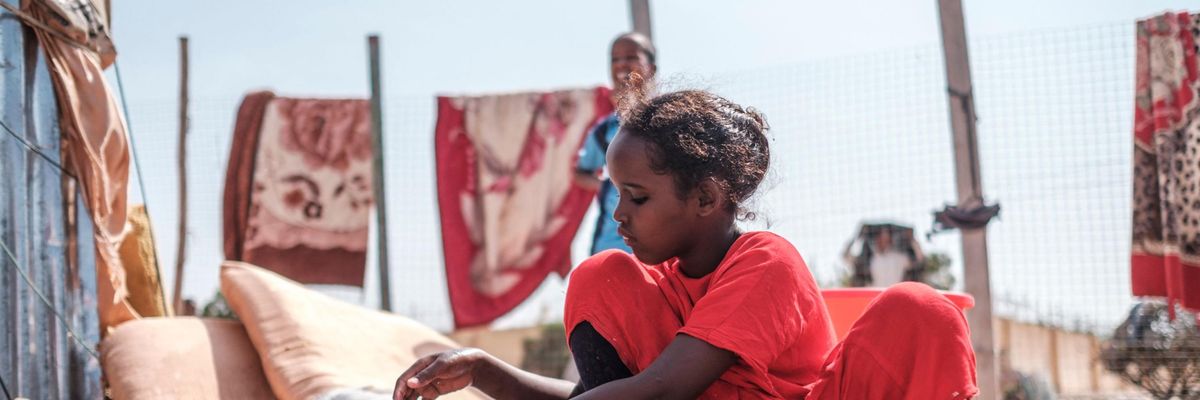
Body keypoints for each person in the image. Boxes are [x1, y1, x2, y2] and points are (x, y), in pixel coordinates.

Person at [394, 87, 978, 399]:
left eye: (638, 197)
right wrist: (484, 372)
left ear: (705, 198)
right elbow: (614, 395)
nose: (619, 214)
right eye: (616, 193)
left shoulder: (765, 262)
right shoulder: (650, 288)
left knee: (918, 309)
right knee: (601, 273)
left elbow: (662, 390)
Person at [574, 32, 657, 254]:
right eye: (615, 59)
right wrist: (607, 185)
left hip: (662, 245)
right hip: (611, 246)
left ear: (651, 68)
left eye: (631, 57)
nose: (621, 65)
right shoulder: (604, 130)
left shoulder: (669, 121)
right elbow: (580, 172)